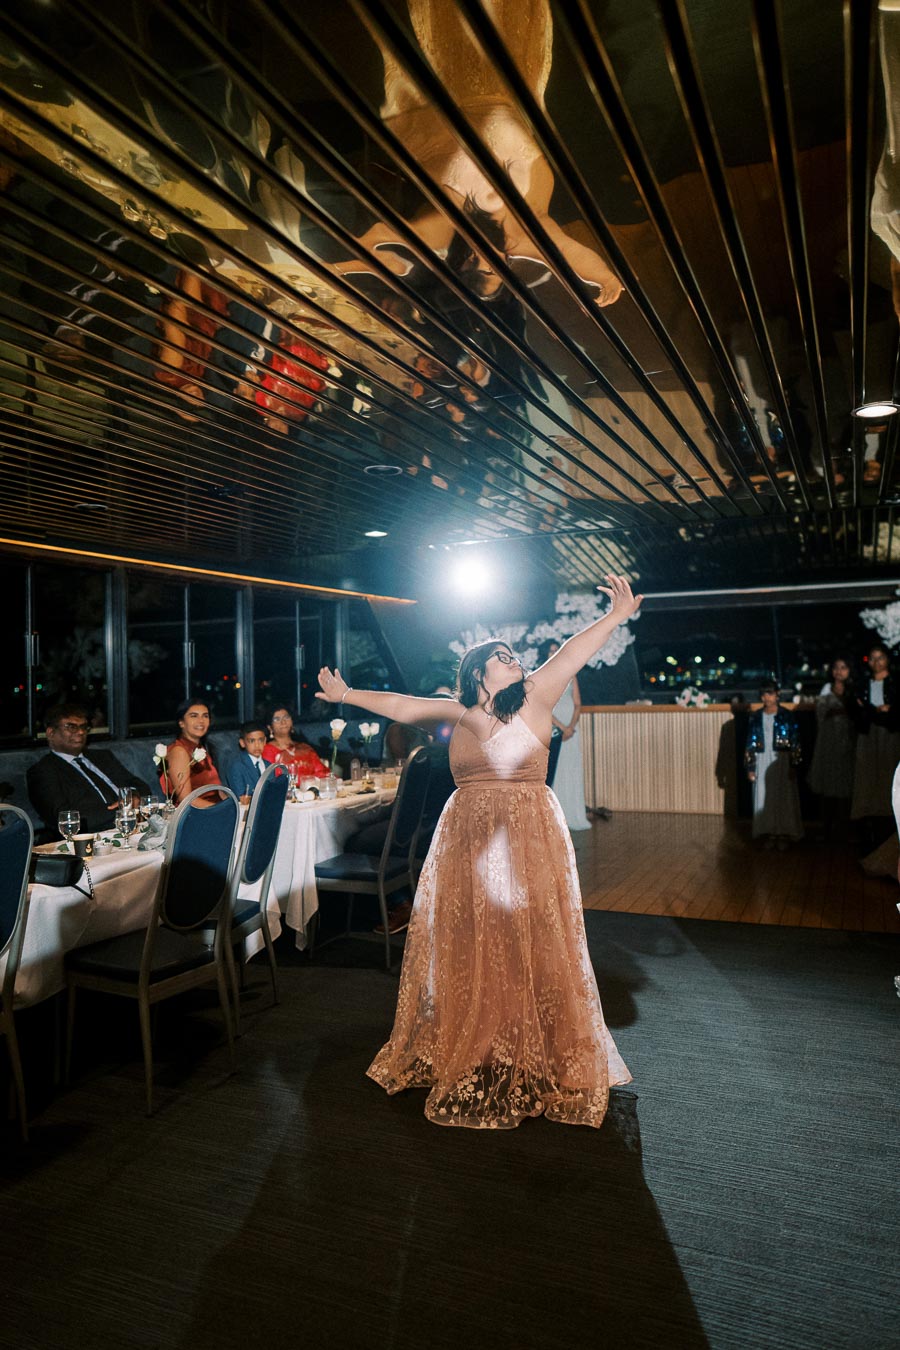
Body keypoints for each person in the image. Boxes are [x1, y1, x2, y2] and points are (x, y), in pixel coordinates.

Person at [317, 573, 640, 1130]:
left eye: (515, 656)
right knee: (473, 939)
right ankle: (485, 1039)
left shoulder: (536, 697)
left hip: (527, 839)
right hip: (467, 842)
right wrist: (347, 696)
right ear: (477, 674)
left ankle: (536, 1045)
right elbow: (403, 705)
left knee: (528, 938)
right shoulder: (459, 713)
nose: (516, 661)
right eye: (504, 657)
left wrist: (615, 616)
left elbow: (572, 652)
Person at [26, 702, 151, 836]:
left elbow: (141, 786)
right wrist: (122, 811)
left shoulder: (103, 757)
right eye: (71, 727)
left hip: (136, 825)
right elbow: (62, 817)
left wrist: (133, 796)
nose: (80, 732)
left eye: (83, 727)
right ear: (51, 733)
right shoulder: (43, 771)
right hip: (94, 835)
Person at [849, 645, 900, 850]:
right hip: (868, 734)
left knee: (888, 773)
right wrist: (875, 712)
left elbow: (894, 713)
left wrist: (879, 711)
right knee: (866, 775)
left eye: (880, 658)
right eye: (872, 658)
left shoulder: (895, 683)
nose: (876, 662)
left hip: (890, 734)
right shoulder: (862, 684)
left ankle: (888, 824)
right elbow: (857, 711)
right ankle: (867, 828)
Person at [539, 639, 590, 831]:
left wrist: (571, 726)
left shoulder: (571, 673)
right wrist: (562, 728)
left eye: (556, 650)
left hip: (572, 727)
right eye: (550, 651)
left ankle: (574, 813)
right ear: (545, 654)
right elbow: (543, 706)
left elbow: (577, 703)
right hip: (554, 727)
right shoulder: (542, 676)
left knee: (571, 767)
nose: (554, 653)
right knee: (556, 768)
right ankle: (555, 815)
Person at [744, 681, 803, 849]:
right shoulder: (756, 716)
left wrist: (794, 763)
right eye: (764, 694)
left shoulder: (786, 715)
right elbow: (750, 742)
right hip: (762, 759)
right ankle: (769, 832)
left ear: (777, 694)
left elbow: (795, 741)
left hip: (781, 759)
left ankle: (783, 832)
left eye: (770, 693)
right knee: (764, 796)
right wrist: (750, 767)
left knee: (782, 795)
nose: (767, 698)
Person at [807, 657, 856, 833]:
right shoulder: (826, 689)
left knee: (846, 783)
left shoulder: (854, 689)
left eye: (843, 667)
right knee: (827, 781)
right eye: (836, 667)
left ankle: (845, 826)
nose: (839, 671)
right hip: (828, 741)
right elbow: (821, 713)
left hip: (848, 741)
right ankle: (827, 827)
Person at [161, 701, 223, 806]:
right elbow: (186, 799)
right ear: (181, 722)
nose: (201, 721)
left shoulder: (202, 748)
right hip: (195, 811)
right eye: (194, 716)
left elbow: (217, 790)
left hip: (213, 807)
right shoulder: (179, 751)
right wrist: (222, 809)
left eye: (205, 716)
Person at [261, 706, 328, 778]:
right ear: (270, 727)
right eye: (277, 719)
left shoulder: (304, 748)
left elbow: (323, 772)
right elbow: (270, 778)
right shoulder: (267, 750)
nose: (283, 722)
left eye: (286, 717)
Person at [224, 721, 269, 803]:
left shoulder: (269, 765)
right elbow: (240, 797)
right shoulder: (236, 766)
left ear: (265, 741)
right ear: (242, 743)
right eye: (252, 741)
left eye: (260, 740)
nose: (257, 745)